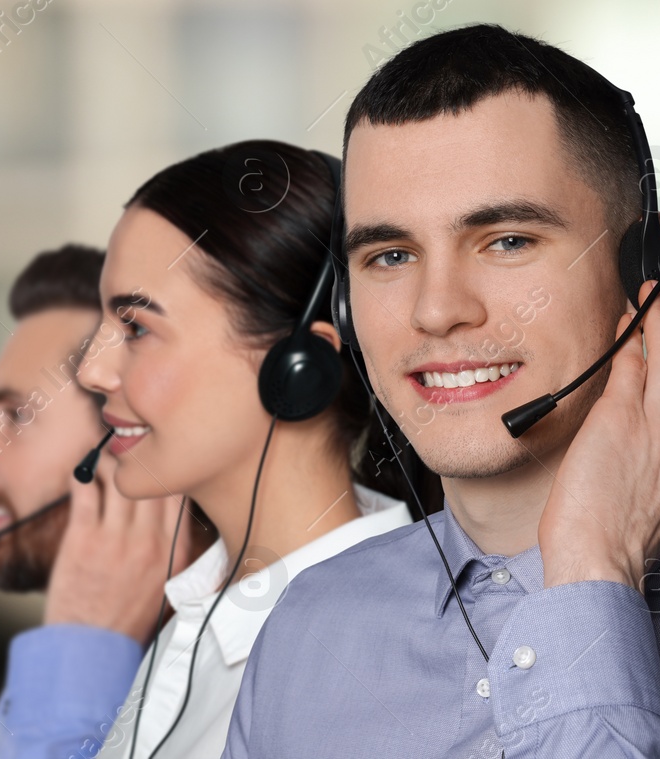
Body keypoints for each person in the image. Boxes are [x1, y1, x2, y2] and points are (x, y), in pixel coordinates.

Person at [225, 24, 660, 759]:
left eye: (507, 241)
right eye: (391, 254)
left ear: (645, 271)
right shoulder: (310, 624)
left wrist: (591, 572)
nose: (437, 309)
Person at [74, 140, 422, 759]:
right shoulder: (200, 609)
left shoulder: (372, 660)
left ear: (297, 366)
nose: (92, 372)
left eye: (135, 328)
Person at [0, 244, 214, 759]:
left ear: (132, 443)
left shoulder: (251, 688)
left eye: (18, 418)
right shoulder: (61, 659)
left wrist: (82, 652)